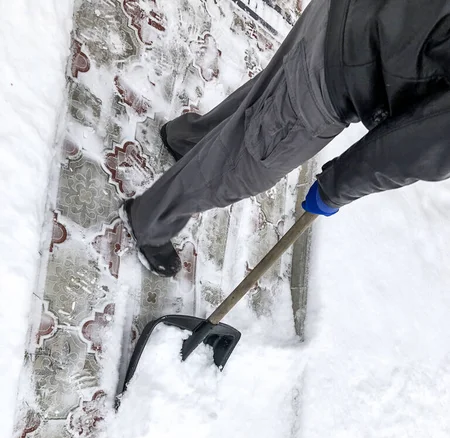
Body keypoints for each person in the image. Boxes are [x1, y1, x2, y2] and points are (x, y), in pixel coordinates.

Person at [123, 0, 450, 277]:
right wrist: (336, 188)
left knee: (274, 99)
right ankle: (149, 223)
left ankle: (188, 141)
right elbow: (413, 147)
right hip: (349, 65)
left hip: (350, 13)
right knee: (250, 162)